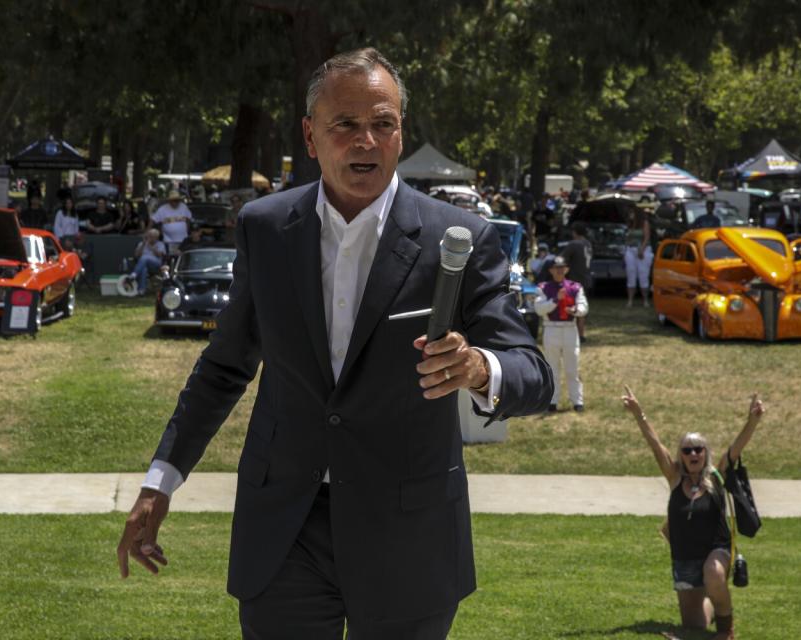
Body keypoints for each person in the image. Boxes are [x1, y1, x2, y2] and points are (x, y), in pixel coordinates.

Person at [117, 47, 554, 639]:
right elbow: (225, 367)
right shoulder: (265, 229)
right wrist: (161, 480)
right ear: (310, 134)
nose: (365, 141)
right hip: (285, 530)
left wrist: (478, 368)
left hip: (411, 533)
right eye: (345, 125)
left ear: (401, 132)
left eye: (383, 124)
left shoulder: (460, 238)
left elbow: (533, 372)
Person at [621, 387, 766, 640]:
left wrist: (752, 421)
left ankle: (726, 631)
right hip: (685, 558)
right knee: (694, 624)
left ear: (705, 453)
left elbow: (736, 447)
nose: (693, 454)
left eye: (698, 448)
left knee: (714, 572)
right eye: (687, 450)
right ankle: (714, 599)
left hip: (716, 551)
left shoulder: (716, 476)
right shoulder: (675, 477)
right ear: (681, 455)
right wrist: (638, 413)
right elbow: (655, 444)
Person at [534, 256, 588, 412]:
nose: (559, 271)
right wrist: (555, 300)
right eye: (556, 268)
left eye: (561, 268)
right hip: (551, 328)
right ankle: (552, 400)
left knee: (573, 367)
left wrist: (575, 311)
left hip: (570, 329)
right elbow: (539, 309)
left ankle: (577, 400)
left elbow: (583, 306)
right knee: (552, 367)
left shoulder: (575, 287)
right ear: (550, 270)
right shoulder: (543, 287)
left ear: (566, 269)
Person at [558, 222, 593, 342]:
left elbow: (561, 259)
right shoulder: (588, 244)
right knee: (582, 305)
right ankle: (581, 334)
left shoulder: (574, 244)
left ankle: (573, 334)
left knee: (571, 306)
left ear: (575, 232)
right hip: (586, 278)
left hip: (575, 279)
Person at [625, 205, 653, 308]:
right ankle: (630, 300)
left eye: (632, 213)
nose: (630, 215)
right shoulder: (630, 224)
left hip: (643, 250)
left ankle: (645, 300)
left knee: (643, 274)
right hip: (630, 249)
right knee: (631, 273)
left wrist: (642, 249)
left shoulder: (644, 223)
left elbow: (647, 237)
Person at [127, 229, 167, 295]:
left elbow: (160, 255)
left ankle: (133, 275)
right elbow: (136, 255)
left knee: (144, 257)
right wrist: (143, 245)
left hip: (156, 265)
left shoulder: (160, 244)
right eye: (149, 236)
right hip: (143, 264)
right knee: (144, 269)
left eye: (152, 236)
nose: (150, 238)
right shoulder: (142, 243)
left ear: (156, 237)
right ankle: (141, 290)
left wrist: (150, 246)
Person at [152, 189, 193, 254]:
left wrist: (186, 230)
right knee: (171, 257)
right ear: (169, 201)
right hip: (169, 241)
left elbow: (189, 219)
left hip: (183, 240)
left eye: (177, 200)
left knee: (183, 257)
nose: (176, 202)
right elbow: (153, 220)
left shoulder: (183, 207)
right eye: (174, 200)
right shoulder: (162, 209)